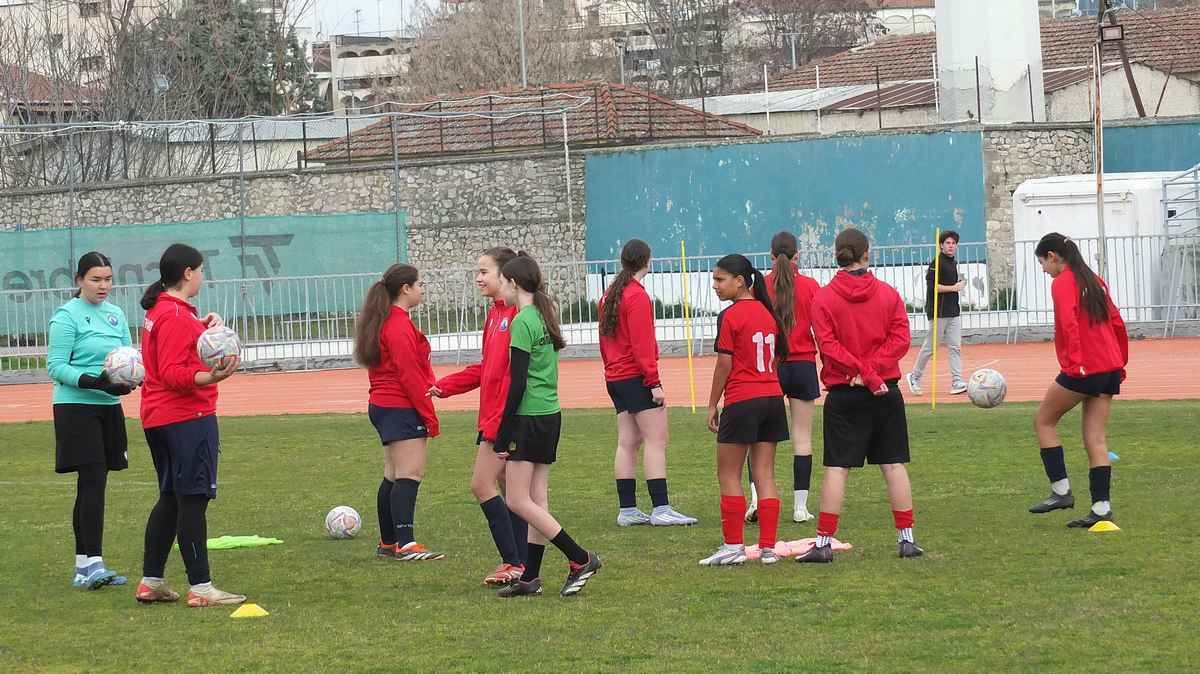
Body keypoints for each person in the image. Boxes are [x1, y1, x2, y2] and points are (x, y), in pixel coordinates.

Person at [798, 228, 923, 563]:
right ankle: (907, 539)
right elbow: (900, 340)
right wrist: (873, 371)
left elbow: (828, 346)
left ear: (837, 254)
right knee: (893, 464)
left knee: (837, 468)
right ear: (867, 254)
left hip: (846, 392)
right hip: (884, 390)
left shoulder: (824, 299)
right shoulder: (888, 294)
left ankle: (824, 543)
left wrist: (861, 371)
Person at [135, 243, 245, 606]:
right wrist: (212, 376)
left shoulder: (162, 310)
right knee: (193, 500)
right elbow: (172, 372)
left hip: (159, 417)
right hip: (186, 419)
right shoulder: (174, 315)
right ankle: (201, 587)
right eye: (200, 271)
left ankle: (151, 582)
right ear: (187, 273)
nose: (202, 277)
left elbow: (178, 349)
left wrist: (206, 326)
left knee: (170, 498)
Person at [491, 254, 601, 598]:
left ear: (513, 283)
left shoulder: (523, 320)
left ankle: (580, 557)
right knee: (537, 498)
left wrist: (503, 433)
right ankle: (531, 578)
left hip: (529, 416)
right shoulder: (542, 313)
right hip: (549, 414)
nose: (500, 288)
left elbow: (518, 383)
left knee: (517, 500)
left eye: (502, 282)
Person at [429, 247, 529, 585]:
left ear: (505, 275)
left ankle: (513, 561)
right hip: (494, 417)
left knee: (481, 484)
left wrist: (501, 423)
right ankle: (522, 563)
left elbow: (515, 378)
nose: (478, 278)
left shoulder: (518, 316)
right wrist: (447, 386)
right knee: (509, 489)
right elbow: (488, 369)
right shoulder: (495, 315)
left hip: (503, 420)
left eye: (484, 271)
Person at [47, 252, 136, 590]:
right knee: (93, 480)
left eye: (108, 279)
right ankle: (94, 564)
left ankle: (83, 568)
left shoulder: (116, 314)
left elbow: (129, 358)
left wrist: (127, 382)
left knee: (94, 483)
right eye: (96, 279)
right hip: (76, 407)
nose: (103, 286)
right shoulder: (66, 316)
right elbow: (56, 366)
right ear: (80, 280)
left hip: (109, 407)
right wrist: (94, 382)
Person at [1027, 233, 1128, 528]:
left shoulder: (1063, 282)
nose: (1044, 270)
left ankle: (1061, 492)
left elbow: (1068, 324)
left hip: (1085, 368)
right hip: (1109, 367)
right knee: (1095, 438)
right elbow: (1117, 322)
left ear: (1053, 257)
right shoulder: (1094, 279)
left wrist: (1074, 364)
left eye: (1042, 263)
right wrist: (1120, 362)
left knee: (1044, 421)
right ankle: (1101, 509)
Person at [598, 239, 697, 528]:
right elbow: (642, 344)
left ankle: (627, 509)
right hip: (634, 377)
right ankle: (661, 508)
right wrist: (653, 382)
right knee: (657, 440)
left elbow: (605, 341)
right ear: (646, 261)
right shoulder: (636, 296)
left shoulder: (609, 295)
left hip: (616, 377)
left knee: (627, 443)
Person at [700, 254, 790, 567]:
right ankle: (767, 549)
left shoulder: (731, 316)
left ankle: (733, 546)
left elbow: (724, 363)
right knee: (765, 474)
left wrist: (712, 403)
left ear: (740, 281)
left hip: (743, 400)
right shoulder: (767, 312)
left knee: (728, 474)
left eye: (720, 279)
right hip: (772, 399)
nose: (715, 285)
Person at [354, 264, 445, 561]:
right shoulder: (398, 325)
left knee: (392, 475)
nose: (422, 289)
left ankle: (389, 542)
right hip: (399, 405)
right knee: (409, 474)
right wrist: (429, 416)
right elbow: (410, 375)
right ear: (406, 288)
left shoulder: (384, 321)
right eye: (420, 284)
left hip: (384, 404)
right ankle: (406, 543)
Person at [764, 231, 822, 524]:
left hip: (771, 367)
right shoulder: (810, 286)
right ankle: (800, 507)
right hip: (803, 364)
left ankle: (758, 502)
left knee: (763, 440)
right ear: (797, 255)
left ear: (771, 255)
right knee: (802, 439)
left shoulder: (761, 285)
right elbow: (821, 329)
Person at [906, 230, 967, 396]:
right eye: (948, 243)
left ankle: (957, 381)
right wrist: (954, 287)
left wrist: (960, 283)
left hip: (953, 311)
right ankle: (915, 376)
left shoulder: (953, 263)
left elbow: (954, 283)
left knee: (955, 347)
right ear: (941, 245)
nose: (951, 246)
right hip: (938, 312)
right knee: (930, 348)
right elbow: (933, 287)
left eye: (953, 243)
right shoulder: (936, 263)